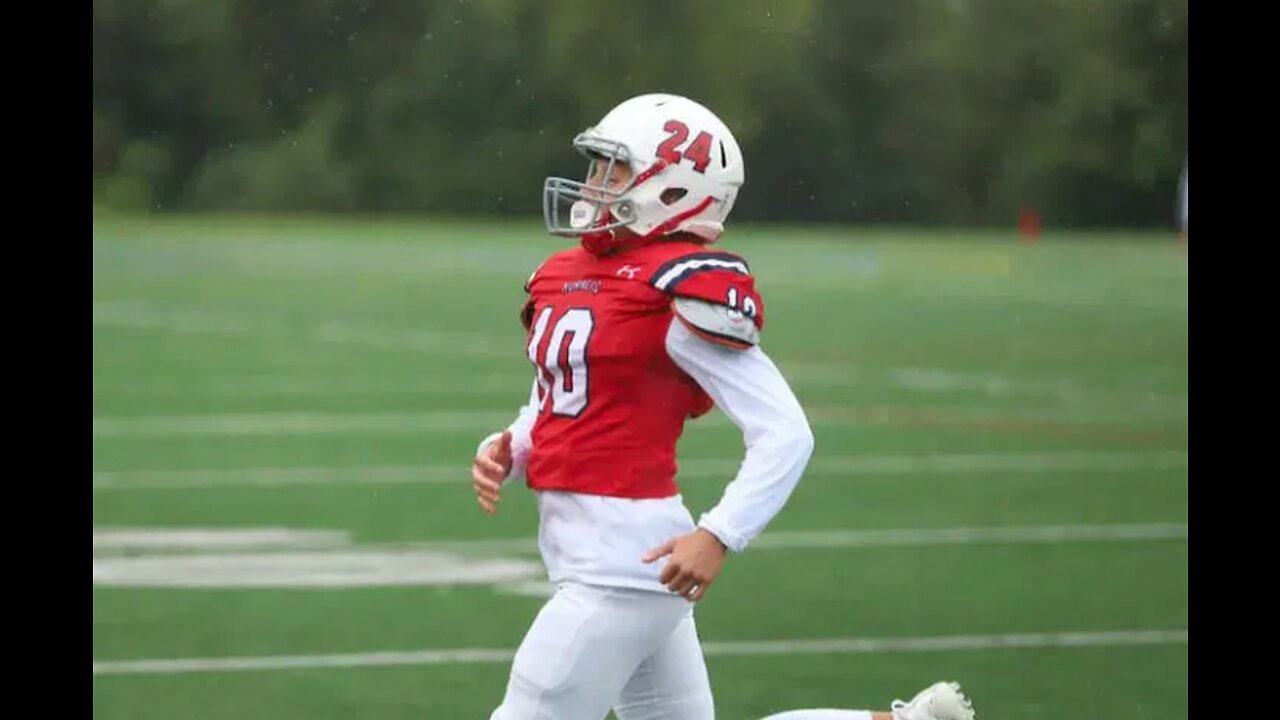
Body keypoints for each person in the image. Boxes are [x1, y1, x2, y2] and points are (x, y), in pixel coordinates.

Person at [470, 92, 975, 720]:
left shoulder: (676, 290)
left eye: (614, 169)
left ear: (674, 188)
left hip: (619, 568)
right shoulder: (565, 273)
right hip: (611, 562)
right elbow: (556, 395)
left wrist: (718, 533)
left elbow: (786, 433)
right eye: (597, 168)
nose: (595, 184)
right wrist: (514, 444)